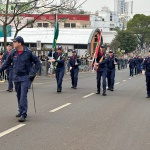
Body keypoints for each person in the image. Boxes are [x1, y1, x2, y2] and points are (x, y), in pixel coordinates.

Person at [0, 36, 40, 122]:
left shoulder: (29, 52)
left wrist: (33, 72)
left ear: (20, 43)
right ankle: (20, 110)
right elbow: (6, 63)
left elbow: (37, 63)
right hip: (16, 77)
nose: (13, 44)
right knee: (18, 95)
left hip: (26, 77)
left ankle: (23, 114)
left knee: (23, 96)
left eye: (15, 42)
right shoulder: (13, 52)